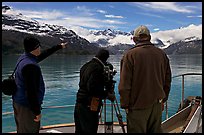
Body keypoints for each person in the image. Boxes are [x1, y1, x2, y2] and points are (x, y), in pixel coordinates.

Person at [118, 25, 172, 133]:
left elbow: (125, 85)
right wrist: (163, 99)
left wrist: (125, 104)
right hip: (157, 104)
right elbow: (167, 80)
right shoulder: (162, 54)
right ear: (150, 37)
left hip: (138, 106)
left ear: (134, 39)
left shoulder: (129, 55)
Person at [12, 36, 67, 133]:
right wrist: (36, 111)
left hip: (18, 102)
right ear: (35, 48)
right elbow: (31, 91)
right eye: (39, 46)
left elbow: (42, 55)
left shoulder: (25, 58)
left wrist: (58, 47)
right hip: (27, 107)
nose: (40, 48)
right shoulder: (30, 66)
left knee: (22, 129)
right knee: (30, 130)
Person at [74, 49, 115, 133]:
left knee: (79, 130)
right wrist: (107, 95)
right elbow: (92, 88)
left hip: (80, 102)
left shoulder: (85, 65)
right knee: (90, 129)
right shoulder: (98, 68)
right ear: (106, 58)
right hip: (90, 104)